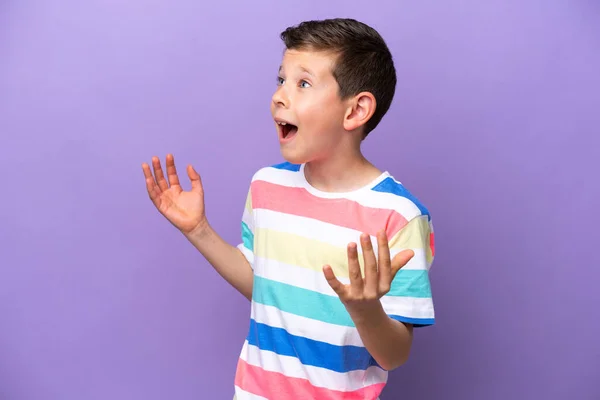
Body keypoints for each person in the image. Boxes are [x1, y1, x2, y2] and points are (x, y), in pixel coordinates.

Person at [142, 18, 435, 400]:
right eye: (281, 80)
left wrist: (365, 310)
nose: (280, 96)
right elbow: (265, 287)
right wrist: (198, 230)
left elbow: (394, 355)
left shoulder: (399, 216)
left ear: (355, 111)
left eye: (303, 83)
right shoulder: (267, 186)